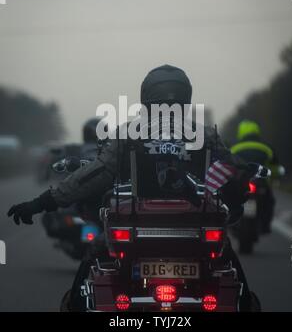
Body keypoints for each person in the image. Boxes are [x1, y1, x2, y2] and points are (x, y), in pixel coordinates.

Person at [7, 64, 257, 311]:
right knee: (228, 258)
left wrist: (41, 202)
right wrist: (238, 191)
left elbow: (94, 174)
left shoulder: (129, 134)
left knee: (94, 253)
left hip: (136, 230)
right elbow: (234, 173)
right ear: (186, 96)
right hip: (197, 232)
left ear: (146, 96)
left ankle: (73, 304)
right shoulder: (205, 136)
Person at [231, 120, 282, 233]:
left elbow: (229, 166)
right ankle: (265, 225)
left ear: (241, 132)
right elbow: (274, 167)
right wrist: (276, 174)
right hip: (261, 184)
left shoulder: (234, 148)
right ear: (256, 131)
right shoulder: (266, 148)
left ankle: (232, 223)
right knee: (269, 201)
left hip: (241, 183)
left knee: (231, 200)